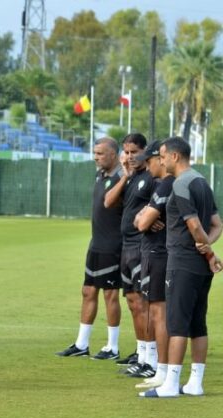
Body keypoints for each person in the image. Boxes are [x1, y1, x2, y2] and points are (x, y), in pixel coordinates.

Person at [142, 137, 223, 398]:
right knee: (198, 324)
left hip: (182, 264)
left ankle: (170, 385)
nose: (161, 160)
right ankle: (195, 383)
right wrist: (209, 251)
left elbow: (195, 226)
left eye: (163, 155)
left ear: (175, 157)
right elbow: (217, 225)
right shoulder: (202, 182)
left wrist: (206, 248)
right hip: (200, 267)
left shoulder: (180, 185)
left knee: (176, 323)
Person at [57, 138, 123, 358]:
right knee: (87, 291)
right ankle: (81, 345)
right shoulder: (100, 175)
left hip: (113, 246)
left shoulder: (121, 178)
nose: (96, 157)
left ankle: (112, 347)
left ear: (113, 154)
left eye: (100, 153)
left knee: (110, 295)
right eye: (95, 153)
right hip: (96, 243)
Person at [102, 133, 153, 363]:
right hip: (126, 246)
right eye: (127, 152)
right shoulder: (131, 177)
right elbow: (108, 201)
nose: (130, 156)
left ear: (145, 150)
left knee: (144, 303)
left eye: (134, 152)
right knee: (132, 303)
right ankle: (140, 352)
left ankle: (150, 357)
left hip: (142, 245)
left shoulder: (152, 177)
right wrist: (125, 175)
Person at [133, 141, 172, 385]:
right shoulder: (161, 185)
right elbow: (139, 220)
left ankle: (163, 369)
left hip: (160, 254)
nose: (147, 166)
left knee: (160, 314)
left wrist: (144, 217)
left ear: (161, 158)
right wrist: (143, 216)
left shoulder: (167, 184)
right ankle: (161, 368)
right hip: (153, 253)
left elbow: (143, 223)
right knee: (155, 312)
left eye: (149, 161)